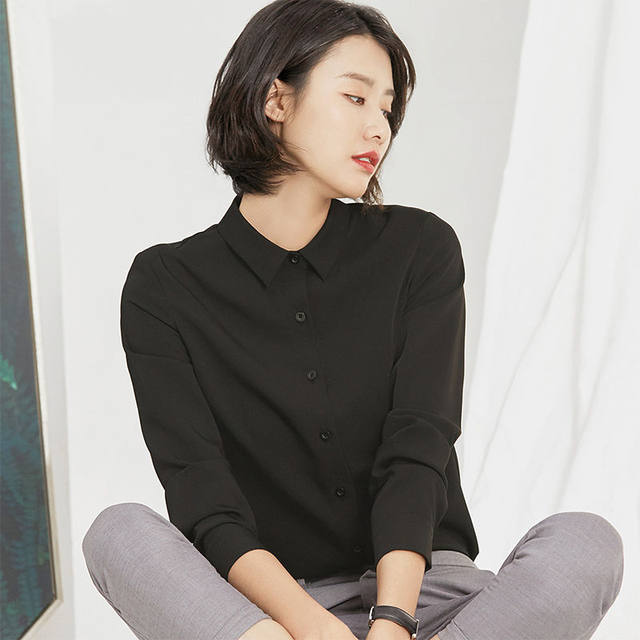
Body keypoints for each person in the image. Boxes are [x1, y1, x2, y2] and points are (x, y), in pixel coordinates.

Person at [81, 1, 624, 639]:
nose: (379, 128)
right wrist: (313, 630)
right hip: (269, 618)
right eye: (356, 98)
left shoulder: (419, 249)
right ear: (276, 99)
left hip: (432, 602)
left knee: (586, 543)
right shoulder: (165, 286)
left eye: (388, 109)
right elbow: (204, 500)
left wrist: (391, 621)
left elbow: (418, 448)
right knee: (118, 533)